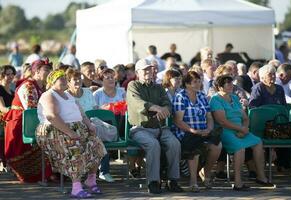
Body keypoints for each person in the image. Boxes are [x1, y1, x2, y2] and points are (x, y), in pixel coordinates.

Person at [36, 69, 105, 198]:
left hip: (77, 128)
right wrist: (70, 132)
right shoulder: (48, 95)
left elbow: (82, 114)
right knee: (75, 148)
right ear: (52, 82)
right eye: (60, 78)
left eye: (64, 78)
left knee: (97, 146)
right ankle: (76, 187)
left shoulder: (69, 95)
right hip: (55, 130)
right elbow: (52, 117)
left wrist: (89, 125)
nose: (64, 80)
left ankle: (91, 180)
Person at [127, 58, 182, 194]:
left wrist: (165, 110)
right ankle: (153, 182)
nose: (148, 71)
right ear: (137, 72)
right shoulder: (133, 85)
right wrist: (157, 108)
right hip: (140, 128)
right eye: (145, 69)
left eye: (150, 69)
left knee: (175, 143)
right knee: (153, 145)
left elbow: (168, 104)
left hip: (160, 128)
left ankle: (172, 180)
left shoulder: (158, 87)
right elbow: (138, 103)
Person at [210, 75, 274, 190]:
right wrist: (241, 129)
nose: (231, 85)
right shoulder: (215, 100)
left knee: (258, 142)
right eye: (227, 83)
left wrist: (244, 129)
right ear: (219, 87)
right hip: (225, 131)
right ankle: (238, 182)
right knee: (240, 148)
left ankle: (261, 177)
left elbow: (245, 118)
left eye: (231, 83)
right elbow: (222, 122)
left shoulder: (234, 98)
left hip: (241, 130)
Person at [3, 59, 52, 182]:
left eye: (49, 69)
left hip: (34, 120)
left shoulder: (42, 86)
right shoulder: (28, 86)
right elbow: (32, 108)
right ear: (36, 71)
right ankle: (35, 174)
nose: (49, 72)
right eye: (46, 70)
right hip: (21, 123)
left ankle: (47, 173)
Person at [173, 71, 221, 191]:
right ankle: (193, 182)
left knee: (217, 146)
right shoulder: (180, 97)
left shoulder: (202, 96)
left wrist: (209, 128)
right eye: (195, 81)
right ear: (187, 84)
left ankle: (206, 172)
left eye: (199, 81)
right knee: (195, 149)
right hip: (186, 132)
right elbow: (178, 121)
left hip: (202, 130)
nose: (199, 84)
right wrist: (193, 131)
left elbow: (209, 117)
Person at [66, 68, 115, 183]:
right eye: (74, 79)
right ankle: (101, 172)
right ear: (68, 82)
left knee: (98, 135)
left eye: (79, 79)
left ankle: (99, 172)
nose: (78, 81)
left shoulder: (87, 92)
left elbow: (95, 109)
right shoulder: (66, 95)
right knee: (97, 137)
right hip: (76, 127)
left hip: (92, 124)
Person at [249, 64, 291, 172]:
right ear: (262, 77)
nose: (272, 77)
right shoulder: (258, 88)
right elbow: (253, 107)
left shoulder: (279, 89)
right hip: (262, 124)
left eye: (273, 74)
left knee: (287, 133)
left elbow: (284, 107)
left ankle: (282, 165)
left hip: (278, 123)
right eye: (269, 74)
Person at [0, 65, 16, 167]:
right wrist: (14, 111)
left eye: (12, 74)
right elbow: (2, 108)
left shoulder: (13, 92)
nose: (10, 76)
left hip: (11, 118)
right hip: (2, 119)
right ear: (1, 76)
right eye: (7, 74)